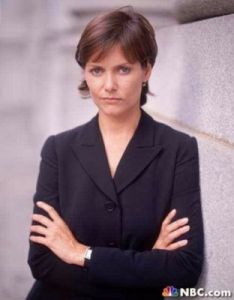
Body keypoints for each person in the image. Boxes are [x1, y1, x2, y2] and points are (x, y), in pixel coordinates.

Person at [26, 6, 204, 300]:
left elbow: (183, 268)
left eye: (123, 69)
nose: (109, 86)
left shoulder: (178, 149)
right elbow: (43, 262)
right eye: (97, 70)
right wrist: (144, 266)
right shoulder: (58, 150)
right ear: (85, 73)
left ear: (146, 70)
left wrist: (80, 253)